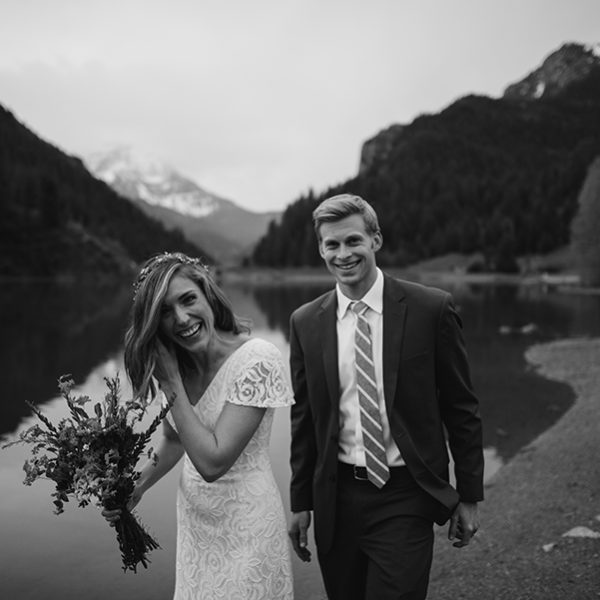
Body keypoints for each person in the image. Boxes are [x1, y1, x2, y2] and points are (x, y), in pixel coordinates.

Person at [288, 194, 484, 600]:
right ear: (321, 250)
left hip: (404, 493)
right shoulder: (305, 322)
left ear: (375, 240)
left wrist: (469, 496)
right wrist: (300, 501)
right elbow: (305, 418)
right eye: (332, 245)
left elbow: (461, 408)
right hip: (336, 499)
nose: (344, 254)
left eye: (353, 241)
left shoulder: (431, 308)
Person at [103, 252, 294, 600]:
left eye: (188, 299)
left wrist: (171, 381)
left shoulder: (257, 359)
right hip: (196, 526)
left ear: (208, 294)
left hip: (248, 526)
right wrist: (138, 487)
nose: (181, 318)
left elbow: (212, 462)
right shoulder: (176, 365)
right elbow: (175, 440)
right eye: (163, 312)